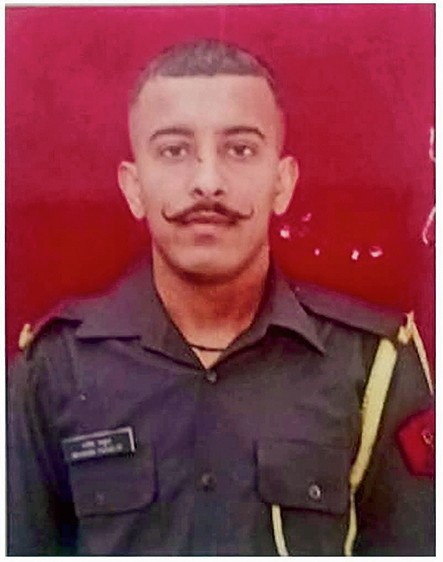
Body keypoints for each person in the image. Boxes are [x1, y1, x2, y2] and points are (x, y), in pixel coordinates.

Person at [7, 39, 435, 556]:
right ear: (134, 187)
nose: (207, 182)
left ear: (283, 183)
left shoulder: (372, 369)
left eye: (240, 150)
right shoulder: (53, 372)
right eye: (173, 151)